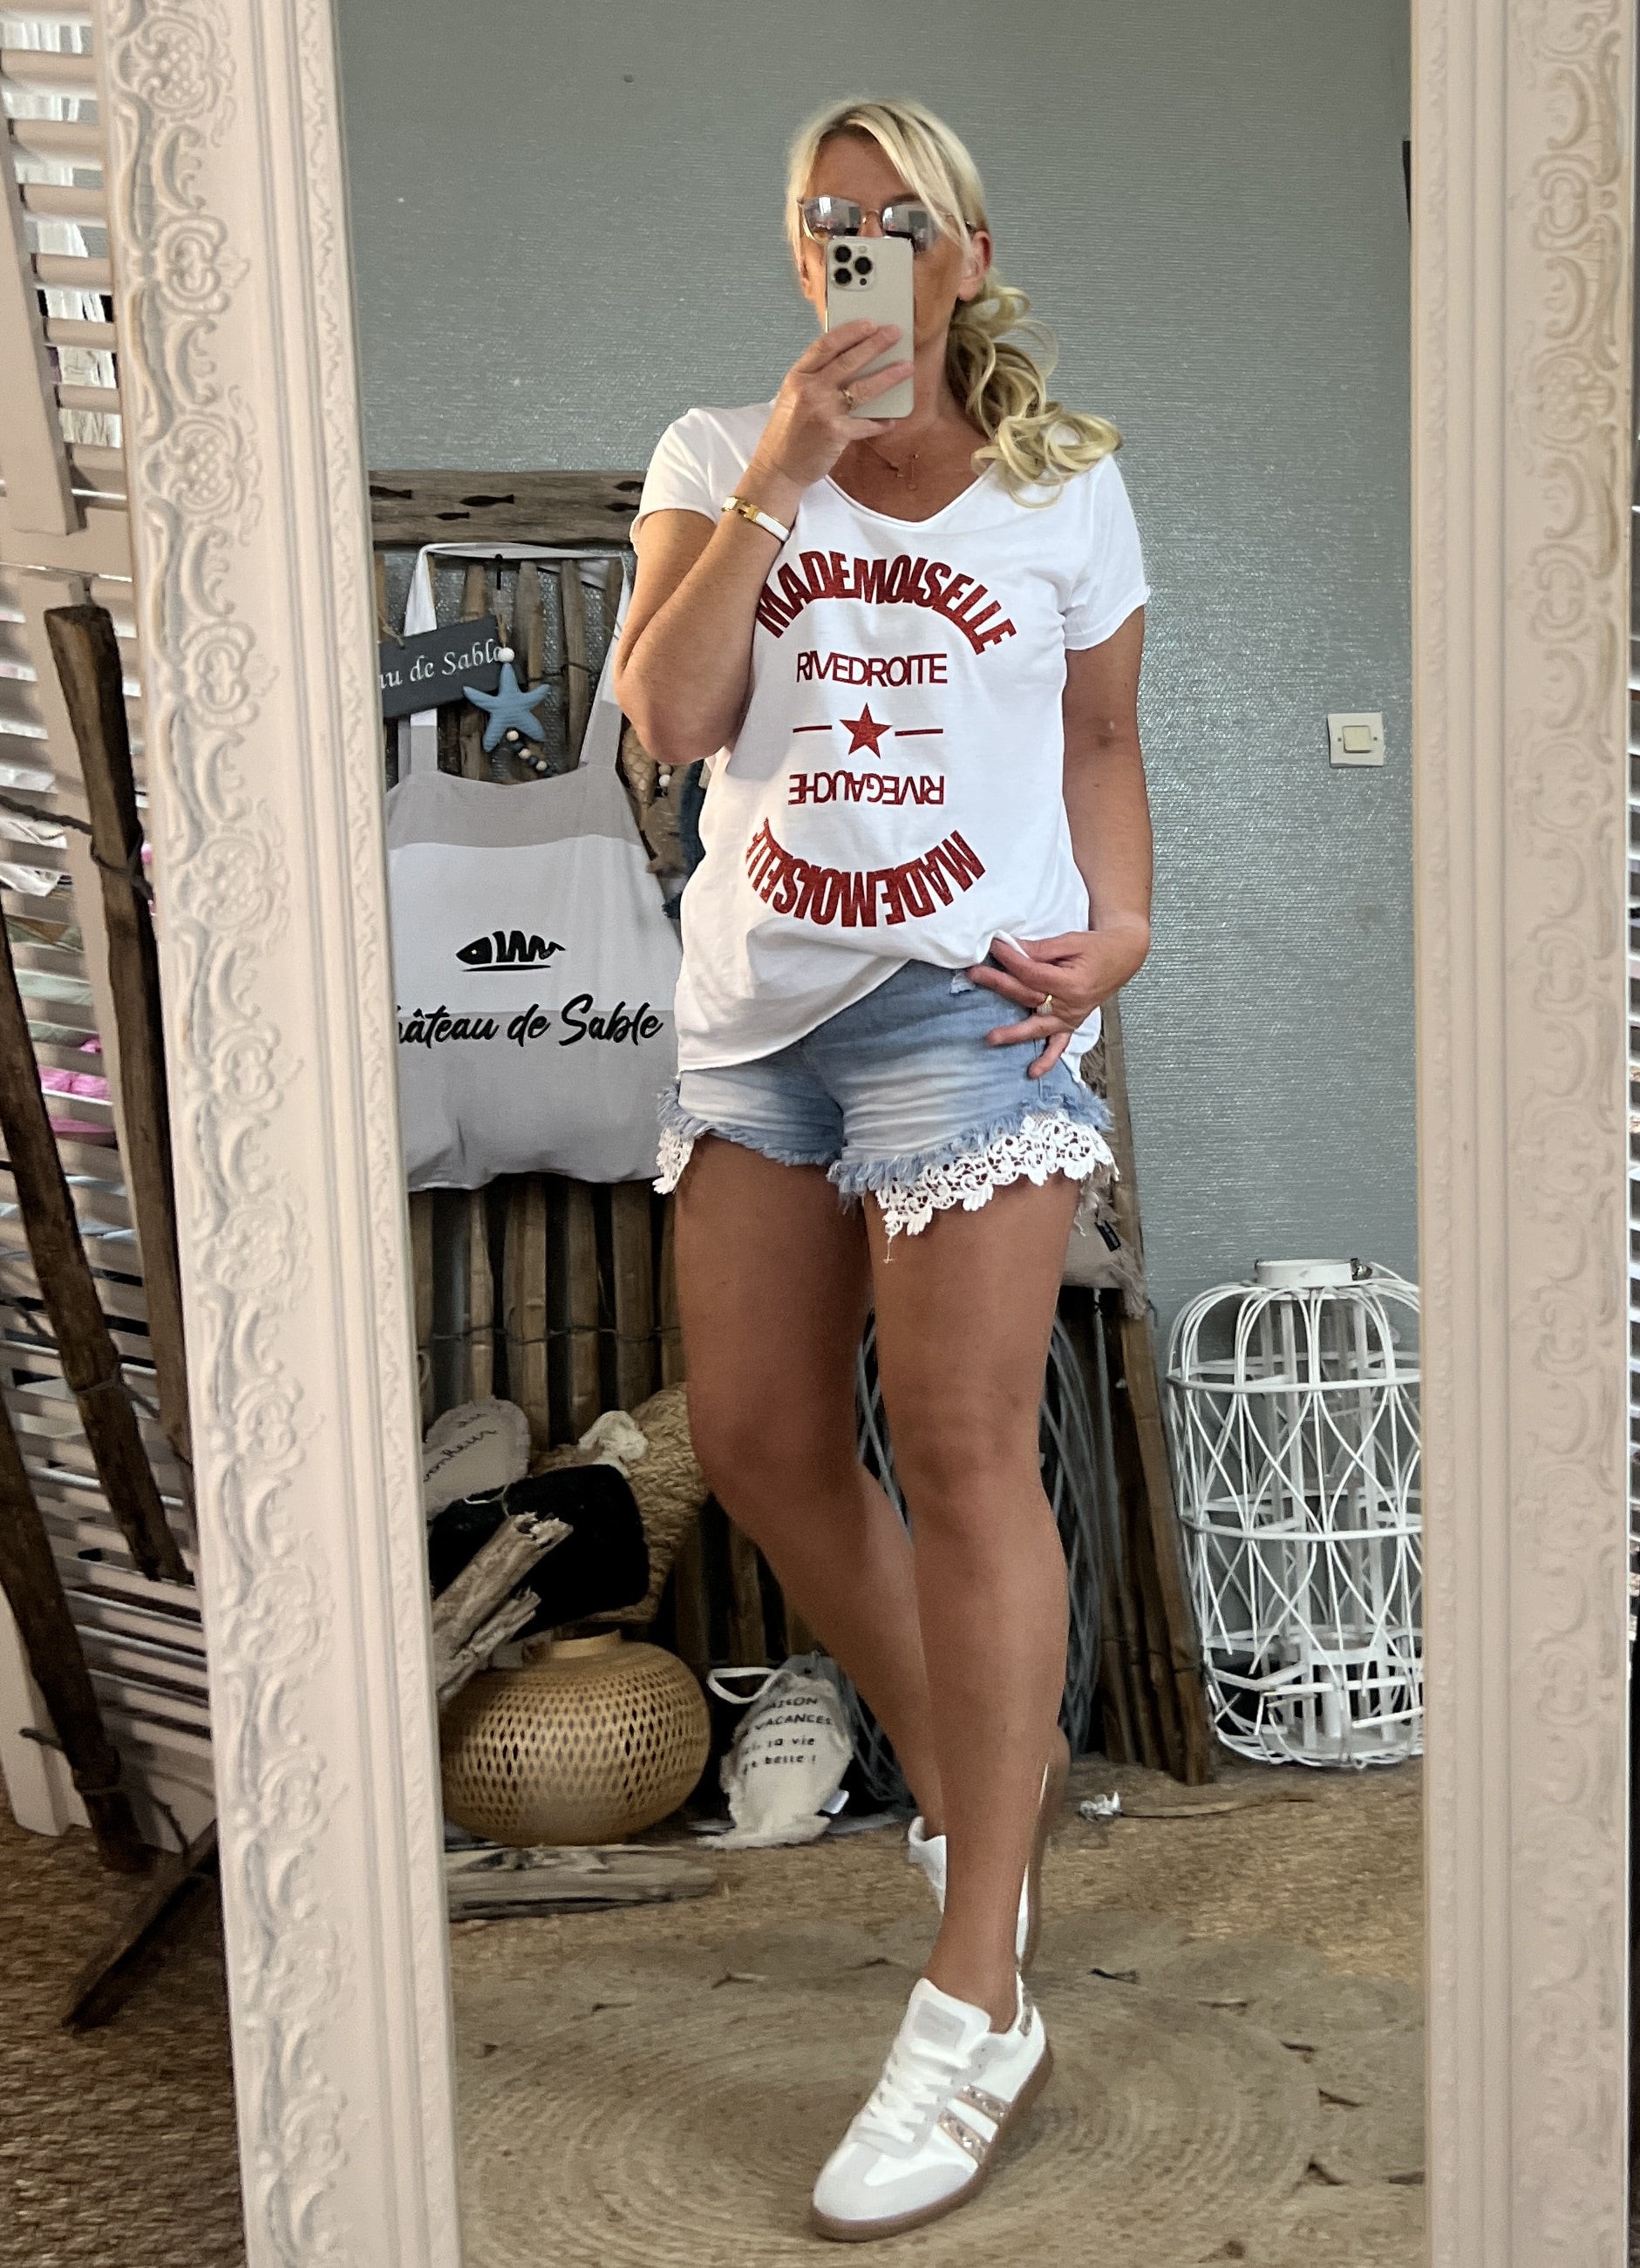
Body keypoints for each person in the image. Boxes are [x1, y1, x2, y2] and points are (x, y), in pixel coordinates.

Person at [614, 93, 1153, 2241]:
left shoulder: (1063, 481)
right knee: (756, 1434)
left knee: (958, 1449)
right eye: (822, 218)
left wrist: (1125, 926)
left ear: (967, 248)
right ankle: (984, 1782)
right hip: (756, 1018)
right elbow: (673, 719)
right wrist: (782, 466)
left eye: (894, 215)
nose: (856, 241)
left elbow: (1099, 741)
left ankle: (974, 1988)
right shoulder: (709, 452)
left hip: (966, 1007)